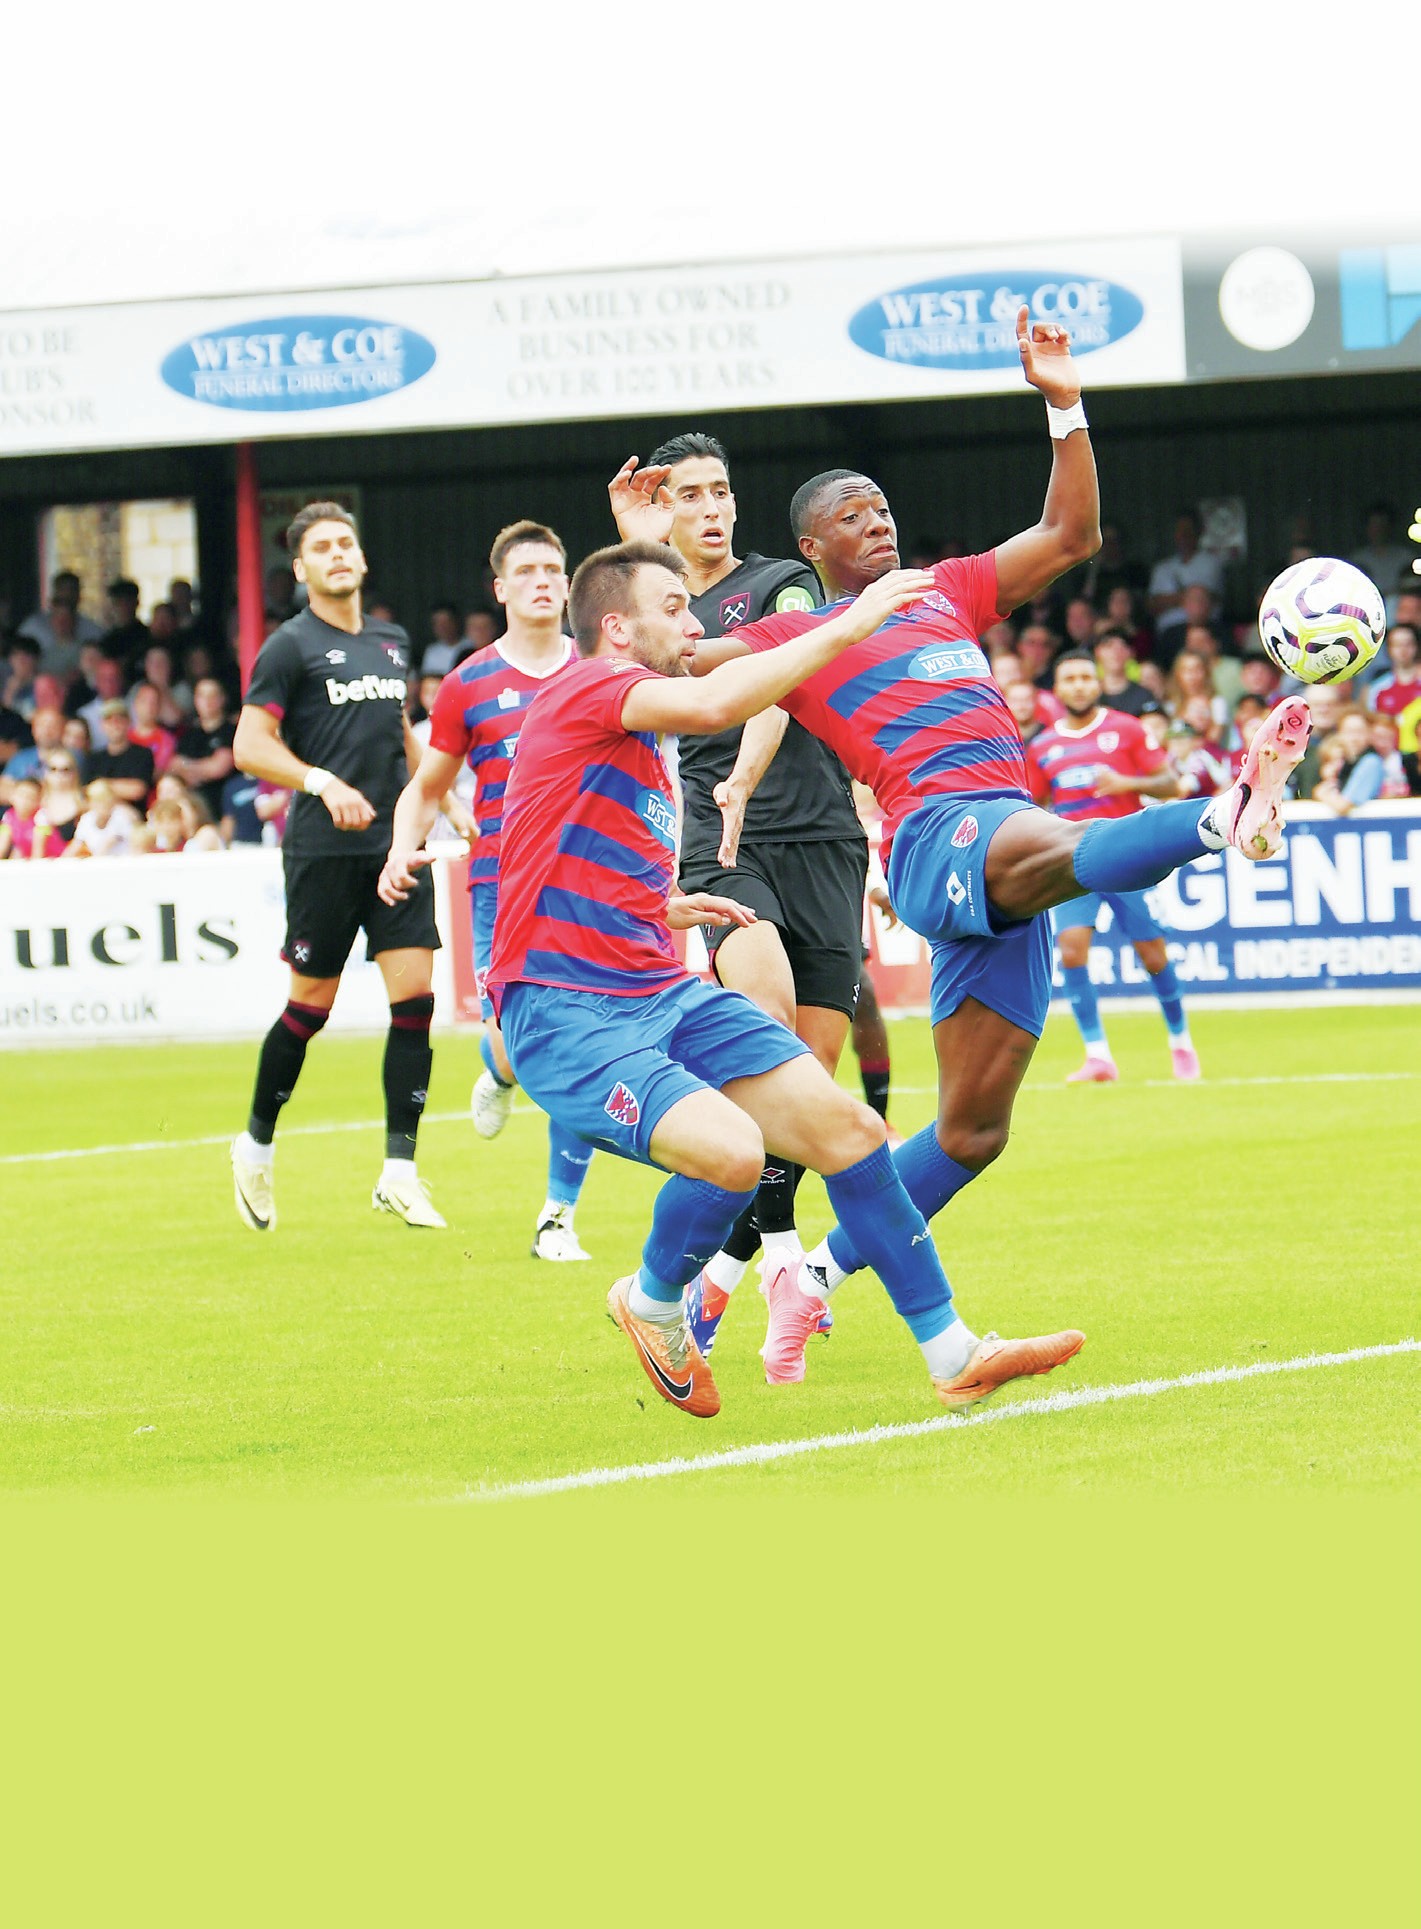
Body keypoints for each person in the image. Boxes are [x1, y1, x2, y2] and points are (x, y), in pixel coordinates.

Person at [664, 307, 1311, 1310]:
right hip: (937, 836)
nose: (876, 520)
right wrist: (645, 557)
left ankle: (813, 1278)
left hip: (1000, 839)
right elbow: (676, 661)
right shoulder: (804, 637)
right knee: (1064, 837)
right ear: (809, 546)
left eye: (881, 507)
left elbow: (1071, 535)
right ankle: (1221, 817)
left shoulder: (943, 589)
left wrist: (1065, 408)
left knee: (971, 1131)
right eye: (852, 514)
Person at [383, 537, 1086, 1415]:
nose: (695, 622)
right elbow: (718, 698)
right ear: (616, 628)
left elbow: (567, 833)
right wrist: (849, 625)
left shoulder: (631, 735)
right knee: (734, 1153)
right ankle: (650, 1302)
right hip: (564, 1012)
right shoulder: (593, 683)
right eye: (673, 607)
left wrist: (661, 903)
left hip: (656, 989)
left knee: (850, 1132)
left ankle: (953, 1356)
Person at [608, 431, 865, 1354]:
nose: (712, 507)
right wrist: (632, 548)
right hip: (720, 843)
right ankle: (786, 1261)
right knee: (766, 1022)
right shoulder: (652, 610)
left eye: (720, 489)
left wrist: (748, 777)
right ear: (665, 510)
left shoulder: (779, 584)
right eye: (691, 494)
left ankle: (714, 1279)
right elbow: (616, 674)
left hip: (823, 836)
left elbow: (781, 687)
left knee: (807, 1084)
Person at [229, 500, 443, 1234]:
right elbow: (249, 745)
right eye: (322, 547)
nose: (338, 554)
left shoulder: (391, 640)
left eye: (346, 542)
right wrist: (320, 782)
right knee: (309, 1010)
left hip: (394, 846)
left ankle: (400, 1173)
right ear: (301, 568)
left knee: (415, 1002)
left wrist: (444, 795)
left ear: (361, 556)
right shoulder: (288, 647)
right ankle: (256, 1145)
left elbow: (401, 730)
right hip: (324, 852)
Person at [394, 520, 598, 1264]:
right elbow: (430, 785)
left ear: (568, 585)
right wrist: (401, 846)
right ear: (501, 589)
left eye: (553, 570)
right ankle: (498, 1070)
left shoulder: (600, 667)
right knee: (515, 1043)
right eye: (527, 571)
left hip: (592, 885)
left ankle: (556, 1217)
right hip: (502, 886)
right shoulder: (468, 683)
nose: (542, 581)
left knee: (577, 1044)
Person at [1027, 651, 1199, 1082]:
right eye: (1070, 679)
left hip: (1127, 857)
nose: (1079, 685)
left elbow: (1171, 784)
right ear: (1057, 689)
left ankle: (1180, 1042)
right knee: (1071, 951)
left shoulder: (1126, 729)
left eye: (1086, 677)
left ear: (1098, 683)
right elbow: (1035, 803)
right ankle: (1098, 1056)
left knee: (1152, 953)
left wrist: (1128, 783)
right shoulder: (1043, 746)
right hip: (1073, 859)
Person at [1148, 511, 1225, 653]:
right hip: (1167, 635)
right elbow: (1153, 606)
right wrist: (1187, 597)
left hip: (1204, 631)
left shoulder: (1211, 563)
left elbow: (1207, 599)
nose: (1184, 535)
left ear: (1198, 532)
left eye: (1188, 530)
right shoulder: (1162, 568)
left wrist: (1168, 600)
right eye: (1180, 530)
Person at [169, 678, 236, 821]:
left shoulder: (231, 730)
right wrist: (204, 769)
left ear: (222, 699)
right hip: (191, 810)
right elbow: (174, 766)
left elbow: (219, 768)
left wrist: (187, 766)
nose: (207, 701)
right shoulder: (188, 733)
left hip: (223, 808)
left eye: (212, 695)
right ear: (195, 700)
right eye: (202, 696)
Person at [18, 571, 104, 681]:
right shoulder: (32, 627)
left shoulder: (93, 631)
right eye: (63, 589)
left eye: (72, 590)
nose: (67, 594)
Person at [1311, 710, 1384, 815]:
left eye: (1360, 732)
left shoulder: (1371, 762)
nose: (1354, 738)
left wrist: (1320, 794)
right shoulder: (1345, 763)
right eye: (1349, 732)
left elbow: (1343, 806)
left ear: (1370, 734)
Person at [85, 700, 156, 806]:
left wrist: (102, 785)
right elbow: (87, 791)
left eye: (119, 720)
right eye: (109, 721)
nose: (115, 725)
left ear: (128, 722)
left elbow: (137, 790)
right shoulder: (93, 759)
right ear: (102, 725)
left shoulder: (143, 754)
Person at [68, 778, 140, 857]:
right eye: (98, 801)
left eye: (106, 801)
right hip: (99, 861)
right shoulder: (86, 819)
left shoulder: (121, 817)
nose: (103, 805)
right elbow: (75, 845)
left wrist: (94, 860)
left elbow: (108, 845)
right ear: (91, 802)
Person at [0, 774, 45, 859]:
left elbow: (38, 853)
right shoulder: (8, 816)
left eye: (30, 797)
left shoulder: (41, 817)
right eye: (21, 795)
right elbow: (2, 846)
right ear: (12, 796)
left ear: (38, 801)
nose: (24, 801)